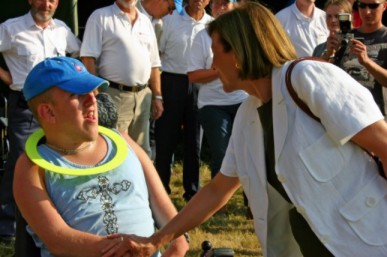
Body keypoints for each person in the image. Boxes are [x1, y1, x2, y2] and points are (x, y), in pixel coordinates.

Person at [100, 2, 387, 257]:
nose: (212, 64)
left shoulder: (307, 77)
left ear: (237, 52)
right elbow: (217, 190)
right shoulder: (247, 116)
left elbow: (384, 145)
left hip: (368, 243)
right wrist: (155, 240)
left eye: (215, 52)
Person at [13, 56, 189, 257]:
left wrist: (178, 239)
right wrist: (128, 250)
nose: (92, 101)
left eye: (92, 92)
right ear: (48, 112)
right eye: (77, 95)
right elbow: (58, 239)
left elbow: (160, 201)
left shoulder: (122, 140)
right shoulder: (32, 167)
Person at [0, 0, 80, 248]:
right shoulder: (11, 28)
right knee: (22, 163)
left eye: (53, 0)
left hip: (58, 110)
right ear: (30, 0)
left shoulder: (62, 30)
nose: (47, 4)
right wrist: (7, 78)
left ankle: (48, 221)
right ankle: (7, 226)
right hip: (25, 108)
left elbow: (78, 55)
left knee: (55, 162)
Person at [80, 0, 163, 157]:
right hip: (113, 95)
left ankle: (140, 182)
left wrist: (157, 95)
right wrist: (96, 95)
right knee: (113, 150)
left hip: (143, 96)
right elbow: (88, 58)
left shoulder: (145, 21)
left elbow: (154, 63)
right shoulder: (100, 16)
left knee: (141, 151)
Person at [155, 0, 212, 202]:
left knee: (194, 140)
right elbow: (156, 55)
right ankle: (161, 190)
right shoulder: (169, 21)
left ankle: (193, 192)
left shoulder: (212, 25)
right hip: (171, 82)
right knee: (165, 139)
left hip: (200, 85)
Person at [187, 0, 247, 179]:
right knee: (222, 155)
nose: (221, 8)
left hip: (243, 100)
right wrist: (221, 69)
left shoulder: (244, 33)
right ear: (211, 7)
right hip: (212, 104)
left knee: (249, 152)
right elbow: (193, 76)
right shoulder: (202, 36)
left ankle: (251, 203)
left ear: (234, 6)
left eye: (225, 3)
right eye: (217, 4)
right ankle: (218, 204)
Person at [334, 0, 387, 115]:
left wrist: (367, 62)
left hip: (377, 118)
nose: (367, 12)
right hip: (346, 114)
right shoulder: (345, 37)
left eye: (373, 6)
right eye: (362, 6)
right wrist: (328, 52)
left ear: (384, 5)